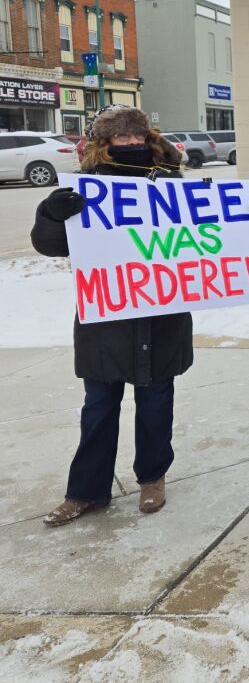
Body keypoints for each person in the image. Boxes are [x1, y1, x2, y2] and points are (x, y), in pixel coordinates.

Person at [32, 106, 193, 525]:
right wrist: (51, 215)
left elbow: (207, 238)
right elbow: (51, 245)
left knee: (157, 402)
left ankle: (152, 478)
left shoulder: (172, 183)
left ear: (149, 139)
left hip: (161, 316)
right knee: (99, 405)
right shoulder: (85, 188)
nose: (130, 145)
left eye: (137, 137)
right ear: (105, 143)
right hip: (107, 318)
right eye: (121, 138)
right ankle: (86, 491)